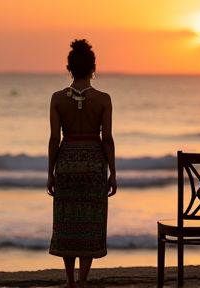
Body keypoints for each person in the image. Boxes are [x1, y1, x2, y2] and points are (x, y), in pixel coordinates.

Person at [46, 39, 117, 288]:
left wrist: (50, 173)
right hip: (94, 165)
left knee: (67, 221)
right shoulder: (104, 99)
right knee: (90, 222)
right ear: (93, 68)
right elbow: (106, 139)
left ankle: (69, 281)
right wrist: (113, 173)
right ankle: (83, 280)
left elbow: (55, 138)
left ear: (70, 68)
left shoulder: (57, 99)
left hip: (66, 163)